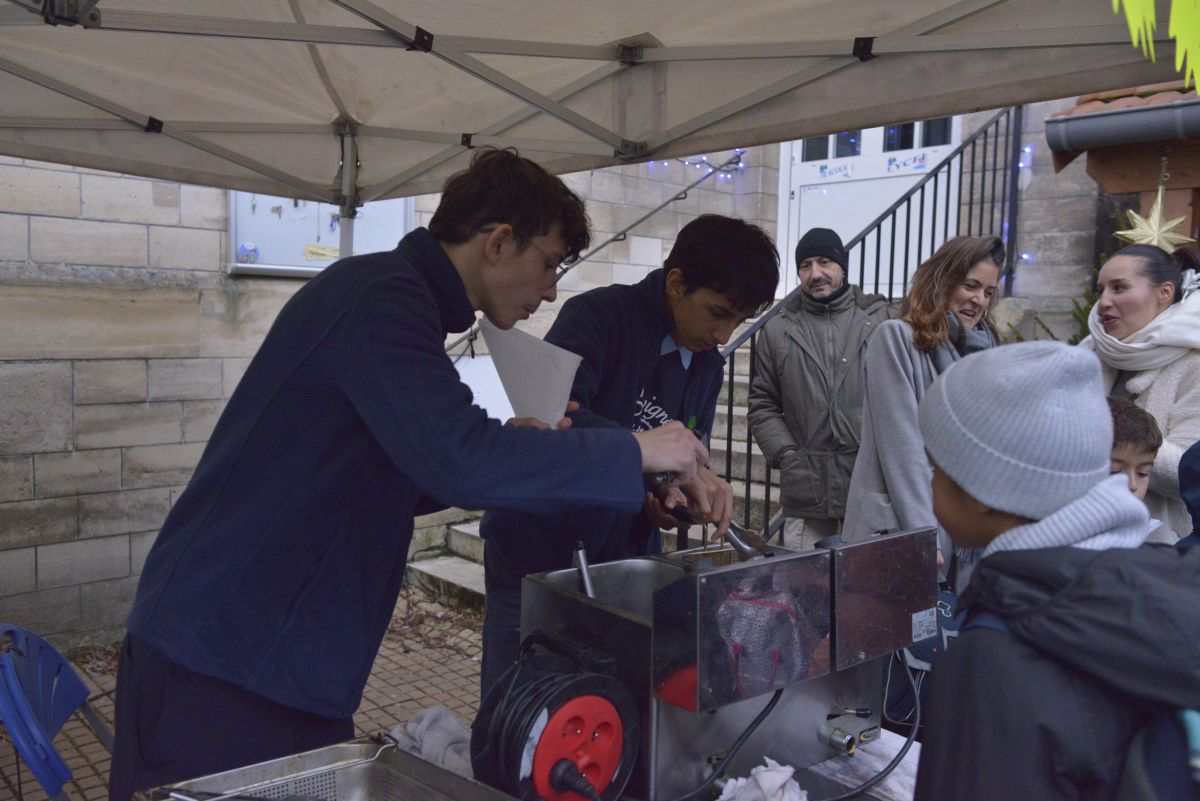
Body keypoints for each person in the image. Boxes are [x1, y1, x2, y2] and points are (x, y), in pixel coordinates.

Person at [107, 149, 711, 801]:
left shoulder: (402, 305)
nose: (551, 290)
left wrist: (512, 445)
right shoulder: (381, 300)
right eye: (549, 263)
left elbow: (405, 470)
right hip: (224, 661)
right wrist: (635, 450)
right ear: (499, 241)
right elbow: (461, 459)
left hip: (284, 659)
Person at [477, 214, 780, 698]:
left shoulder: (707, 365)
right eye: (717, 313)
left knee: (607, 701)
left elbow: (673, 463)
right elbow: (556, 422)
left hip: (620, 559)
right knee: (519, 705)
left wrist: (666, 496)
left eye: (738, 322)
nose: (724, 335)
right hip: (538, 550)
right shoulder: (598, 317)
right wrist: (657, 460)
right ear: (677, 283)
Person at [912, 341, 1200, 801]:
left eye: (936, 469)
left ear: (984, 487)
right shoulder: (1156, 583)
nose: (929, 483)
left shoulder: (991, 656)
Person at [842, 235, 1003, 591]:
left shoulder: (985, 357)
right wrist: (923, 534)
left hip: (961, 532)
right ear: (943, 281)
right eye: (970, 286)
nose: (978, 300)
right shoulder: (896, 338)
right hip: (902, 527)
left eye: (988, 292)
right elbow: (903, 446)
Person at [748, 227, 891, 549]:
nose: (815, 273)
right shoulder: (778, 329)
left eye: (825, 262)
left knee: (868, 589)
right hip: (807, 490)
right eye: (806, 265)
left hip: (869, 485)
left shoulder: (882, 319)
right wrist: (786, 454)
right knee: (806, 590)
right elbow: (762, 403)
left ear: (842, 266)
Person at [1080, 244, 1200, 544]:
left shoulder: (1195, 362)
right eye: (1101, 289)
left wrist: (1104, 436)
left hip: (1156, 549)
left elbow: (1188, 472)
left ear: (1165, 293)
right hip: (1078, 533)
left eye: (1119, 288)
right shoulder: (1088, 352)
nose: (1104, 301)